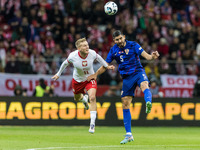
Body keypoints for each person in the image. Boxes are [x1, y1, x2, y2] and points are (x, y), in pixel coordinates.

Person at [87, 30, 159, 144]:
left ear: (124, 37)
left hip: (138, 72)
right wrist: (95, 74)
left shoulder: (134, 45)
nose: (119, 41)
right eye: (116, 40)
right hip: (126, 78)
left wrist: (153, 56)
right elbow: (105, 65)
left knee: (144, 85)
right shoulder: (113, 50)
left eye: (120, 38)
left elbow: (147, 57)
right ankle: (129, 134)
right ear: (114, 41)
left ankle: (148, 102)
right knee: (125, 104)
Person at [51, 38, 114, 133]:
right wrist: (58, 74)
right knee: (77, 98)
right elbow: (64, 64)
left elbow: (99, 58)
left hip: (90, 79)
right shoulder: (73, 56)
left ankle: (92, 124)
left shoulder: (92, 53)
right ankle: (84, 100)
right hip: (77, 80)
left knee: (92, 98)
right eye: (84, 45)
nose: (87, 47)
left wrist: (107, 66)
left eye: (87, 45)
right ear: (79, 48)